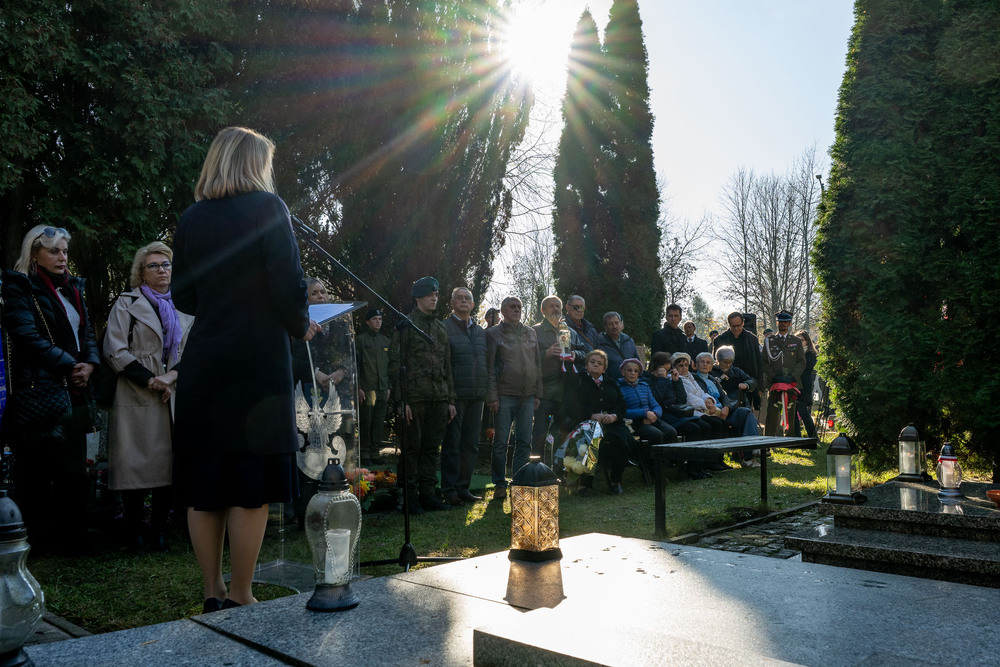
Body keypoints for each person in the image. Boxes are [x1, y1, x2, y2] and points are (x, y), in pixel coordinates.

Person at [172, 127, 319, 612]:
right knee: (249, 482)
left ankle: (211, 591)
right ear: (255, 163)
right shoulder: (267, 208)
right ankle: (241, 593)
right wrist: (301, 324)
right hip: (256, 361)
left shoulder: (191, 218)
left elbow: (183, 296)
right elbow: (287, 284)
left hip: (206, 360)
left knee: (207, 481)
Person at [1, 225, 101, 552]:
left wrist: (89, 365)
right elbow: (27, 337)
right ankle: (38, 543)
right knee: (38, 470)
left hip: (74, 392)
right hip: (39, 393)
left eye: (65, 251)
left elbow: (87, 335)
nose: (62, 257)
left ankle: (74, 538)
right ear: (34, 254)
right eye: (54, 251)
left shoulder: (72, 289)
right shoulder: (20, 287)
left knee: (74, 468)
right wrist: (68, 365)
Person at [104, 242, 194, 553]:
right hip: (136, 391)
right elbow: (114, 349)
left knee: (165, 466)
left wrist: (170, 378)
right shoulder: (127, 303)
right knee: (134, 465)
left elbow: (193, 350)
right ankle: (134, 531)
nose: (161, 270)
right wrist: (150, 380)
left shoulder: (184, 307)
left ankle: (159, 529)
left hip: (173, 392)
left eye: (166, 264)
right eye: (153, 265)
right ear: (141, 273)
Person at [389, 276, 456, 514]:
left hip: (438, 398)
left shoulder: (440, 328)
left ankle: (428, 494)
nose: (434, 299)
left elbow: (446, 364)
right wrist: (401, 400)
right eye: (429, 295)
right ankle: (408, 497)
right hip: (414, 398)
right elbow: (396, 364)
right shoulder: (406, 325)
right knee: (411, 449)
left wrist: (450, 399)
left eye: (436, 295)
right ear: (418, 297)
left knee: (431, 449)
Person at [486, 296, 542, 500]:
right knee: (500, 442)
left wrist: (538, 393)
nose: (517, 309)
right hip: (503, 395)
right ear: (503, 311)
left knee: (524, 441)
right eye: (512, 307)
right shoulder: (492, 334)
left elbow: (537, 365)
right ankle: (499, 483)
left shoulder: (530, 332)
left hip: (527, 396)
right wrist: (492, 396)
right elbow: (490, 367)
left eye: (519, 306)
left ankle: (518, 481)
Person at [442, 287, 487, 505]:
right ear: (451, 303)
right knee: (453, 444)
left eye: (467, 298)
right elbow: (444, 365)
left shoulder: (480, 332)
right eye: (458, 298)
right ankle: (449, 490)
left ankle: (463, 488)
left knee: (470, 444)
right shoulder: (444, 328)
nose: (463, 301)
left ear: (473, 305)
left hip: (477, 395)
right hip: (456, 395)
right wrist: (449, 398)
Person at [565, 350, 630, 495]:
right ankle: (584, 484)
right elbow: (571, 403)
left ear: (604, 368)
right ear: (586, 364)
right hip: (586, 421)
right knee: (590, 442)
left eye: (600, 363)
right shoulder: (578, 379)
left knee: (622, 441)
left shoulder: (610, 381)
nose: (596, 365)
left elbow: (622, 404)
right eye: (592, 362)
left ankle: (616, 481)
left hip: (611, 423)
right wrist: (590, 415)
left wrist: (614, 415)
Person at [532, 295, 575, 463]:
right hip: (545, 390)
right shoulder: (535, 331)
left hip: (564, 390)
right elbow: (527, 360)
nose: (556, 309)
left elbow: (575, 353)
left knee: (563, 432)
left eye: (558, 306)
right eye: (551, 306)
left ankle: (558, 468)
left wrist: (573, 355)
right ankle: (536, 467)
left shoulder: (566, 331)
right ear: (543, 311)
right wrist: (547, 353)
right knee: (540, 433)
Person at [761, 310, 806, 437]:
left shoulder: (796, 341)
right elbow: (764, 362)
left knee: (790, 411)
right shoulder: (769, 340)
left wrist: (792, 376)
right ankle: (769, 439)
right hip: (774, 382)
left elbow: (801, 362)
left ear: (790, 324)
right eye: (780, 322)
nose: (782, 324)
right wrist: (774, 376)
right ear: (777, 323)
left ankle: (789, 439)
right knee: (772, 411)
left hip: (790, 382)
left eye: (785, 322)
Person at [357, 308, 391, 465]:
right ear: (367, 322)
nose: (378, 322)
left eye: (380, 319)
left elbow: (390, 366)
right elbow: (356, 364)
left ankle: (375, 452)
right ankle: (364, 453)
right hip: (368, 387)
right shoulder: (361, 340)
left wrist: (389, 386)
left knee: (378, 421)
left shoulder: (385, 341)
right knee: (367, 421)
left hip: (383, 387)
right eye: (374, 319)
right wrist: (358, 387)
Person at [617, 358, 677, 445]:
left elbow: (655, 405)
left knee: (671, 432)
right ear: (623, 372)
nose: (632, 373)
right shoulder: (618, 388)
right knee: (656, 434)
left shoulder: (644, 386)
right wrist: (644, 413)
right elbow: (622, 411)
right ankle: (652, 458)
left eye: (636, 371)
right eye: (629, 370)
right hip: (634, 422)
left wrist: (655, 414)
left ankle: (667, 458)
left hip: (651, 418)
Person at [712, 312, 763, 411]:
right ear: (729, 325)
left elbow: (759, 363)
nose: (736, 329)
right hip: (727, 384)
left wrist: (760, 386)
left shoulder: (752, 339)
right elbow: (716, 362)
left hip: (748, 380)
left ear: (743, 323)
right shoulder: (720, 339)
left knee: (748, 411)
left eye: (738, 325)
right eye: (733, 326)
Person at [596, 312, 638, 381]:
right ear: (605, 327)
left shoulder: (629, 341)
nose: (614, 326)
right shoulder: (599, 343)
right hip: (611, 384)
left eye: (616, 323)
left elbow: (637, 362)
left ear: (621, 324)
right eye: (610, 324)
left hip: (630, 383)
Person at [794, 329, 818, 438]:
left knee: (803, 411)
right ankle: (796, 436)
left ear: (807, 341)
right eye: (797, 340)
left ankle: (813, 436)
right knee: (793, 412)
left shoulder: (810, 354)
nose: (799, 342)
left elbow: (805, 368)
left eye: (801, 340)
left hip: (805, 386)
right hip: (794, 385)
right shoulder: (794, 353)